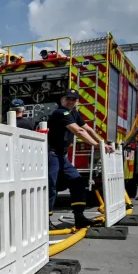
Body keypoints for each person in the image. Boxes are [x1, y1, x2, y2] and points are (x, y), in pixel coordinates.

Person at [47, 88, 114, 228]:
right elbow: (78, 131)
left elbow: (88, 129)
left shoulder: (74, 113)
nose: (70, 101)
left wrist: (103, 144)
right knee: (51, 187)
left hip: (61, 156)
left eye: (73, 99)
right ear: (62, 100)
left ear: (76, 102)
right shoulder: (61, 112)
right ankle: (45, 220)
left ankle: (79, 217)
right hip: (51, 154)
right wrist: (96, 145)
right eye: (68, 99)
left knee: (76, 182)